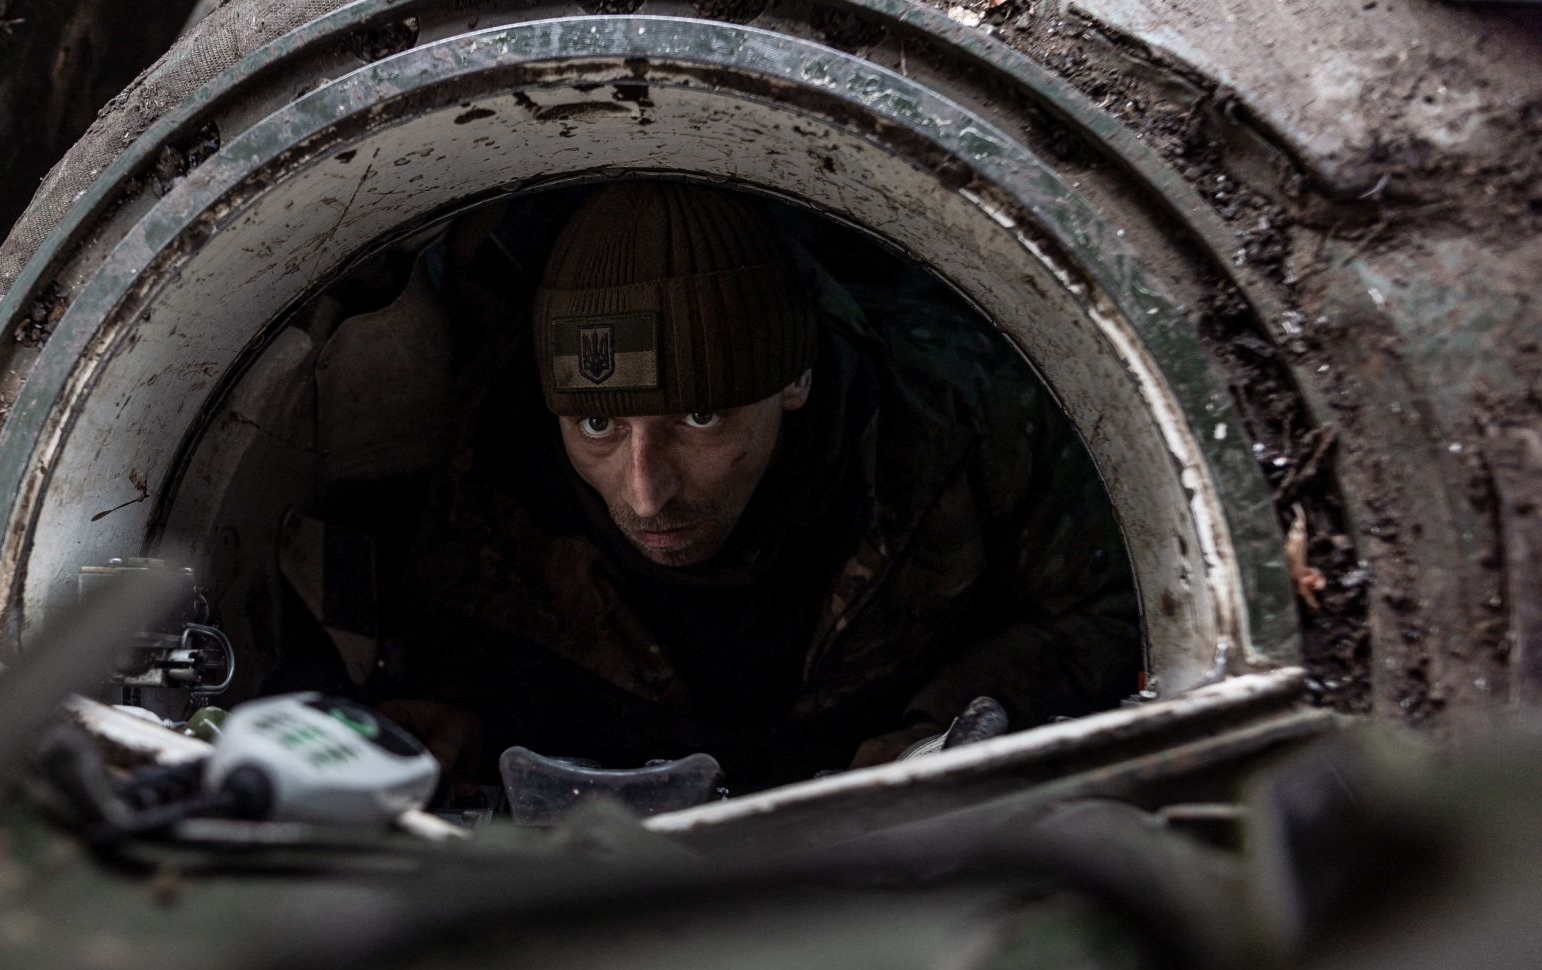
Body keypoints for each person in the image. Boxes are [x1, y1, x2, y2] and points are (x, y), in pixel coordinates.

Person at [374, 181, 1141, 795]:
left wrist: (945, 722)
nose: (645, 494)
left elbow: (1117, 603)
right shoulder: (495, 449)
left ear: (795, 381)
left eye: (700, 417)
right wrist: (454, 713)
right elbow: (454, 635)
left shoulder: (966, 415)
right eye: (599, 425)